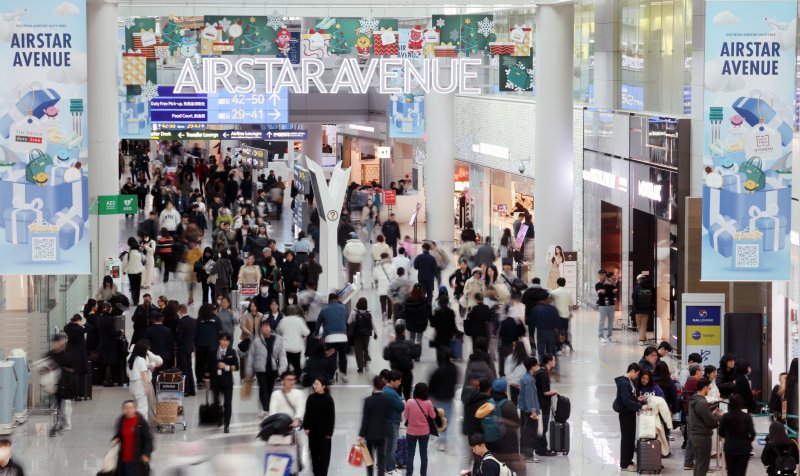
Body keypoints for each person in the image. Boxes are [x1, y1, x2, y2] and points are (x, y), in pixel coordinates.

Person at [245, 321, 288, 414]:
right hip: (260, 369)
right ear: (261, 329)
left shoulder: (278, 340)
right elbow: (251, 356)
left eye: (268, 326)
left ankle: (267, 407)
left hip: (272, 368)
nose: (266, 328)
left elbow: (282, 356)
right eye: (264, 327)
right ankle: (266, 409)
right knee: (263, 388)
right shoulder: (256, 341)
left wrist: (282, 370)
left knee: (269, 388)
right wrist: (249, 371)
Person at [613, 363, 647, 472]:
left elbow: (630, 397)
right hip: (625, 413)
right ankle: (624, 464)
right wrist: (640, 406)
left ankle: (629, 460)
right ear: (632, 371)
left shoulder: (629, 382)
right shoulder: (624, 383)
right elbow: (626, 400)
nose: (637, 377)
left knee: (630, 437)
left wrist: (638, 400)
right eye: (637, 374)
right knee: (627, 438)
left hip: (630, 412)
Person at [45, 334, 77, 436]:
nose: (59, 344)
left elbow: (72, 369)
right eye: (57, 342)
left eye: (61, 342)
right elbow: (44, 367)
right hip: (53, 385)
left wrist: (61, 369)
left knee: (64, 406)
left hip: (65, 384)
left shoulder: (67, 355)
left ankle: (63, 424)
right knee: (57, 405)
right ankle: (57, 424)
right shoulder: (49, 355)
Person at [205, 333, 237, 433]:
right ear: (219, 340)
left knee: (228, 403)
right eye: (223, 340)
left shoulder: (232, 351)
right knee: (216, 402)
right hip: (215, 381)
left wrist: (226, 367)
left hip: (227, 382)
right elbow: (208, 365)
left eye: (227, 340)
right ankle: (220, 419)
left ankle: (227, 424)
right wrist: (207, 377)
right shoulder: (213, 351)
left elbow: (236, 367)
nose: (225, 342)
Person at [359, 376, 391, 476]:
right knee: (381, 459)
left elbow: (365, 419)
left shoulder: (368, 400)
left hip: (370, 434)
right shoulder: (387, 400)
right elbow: (388, 416)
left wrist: (361, 435)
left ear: (373, 386)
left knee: (369, 459)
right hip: (382, 433)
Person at [303, 376, 335, 476]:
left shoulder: (329, 399)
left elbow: (331, 417)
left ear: (323, 386)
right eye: (314, 383)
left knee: (324, 458)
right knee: (314, 456)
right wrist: (306, 427)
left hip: (325, 434)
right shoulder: (311, 398)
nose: (314, 386)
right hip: (313, 433)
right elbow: (307, 413)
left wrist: (329, 432)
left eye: (317, 384)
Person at [688, 378, 720, 476]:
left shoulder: (695, 399)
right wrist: (718, 416)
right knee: (703, 465)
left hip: (696, 435)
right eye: (709, 387)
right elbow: (710, 421)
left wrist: (713, 409)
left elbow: (702, 413)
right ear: (705, 387)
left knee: (699, 464)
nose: (709, 389)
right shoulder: (702, 403)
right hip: (702, 437)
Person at [403, 382, 436, 476]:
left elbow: (405, 416)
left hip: (411, 432)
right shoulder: (428, 403)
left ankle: (409, 474)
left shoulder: (409, 402)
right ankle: (423, 474)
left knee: (410, 454)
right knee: (423, 454)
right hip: (424, 432)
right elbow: (433, 416)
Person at [112, 400, 154, 476]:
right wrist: (117, 438)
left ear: (135, 409)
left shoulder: (141, 422)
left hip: (137, 458)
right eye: (126, 408)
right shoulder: (122, 420)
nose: (128, 410)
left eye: (130, 407)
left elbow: (148, 439)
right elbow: (119, 434)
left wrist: (146, 454)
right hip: (124, 458)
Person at [718, 394, 755, 476]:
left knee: (730, 472)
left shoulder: (725, 417)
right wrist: (748, 440)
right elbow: (752, 433)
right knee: (741, 472)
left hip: (730, 447)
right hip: (744, 448)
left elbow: (720, 432)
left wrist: (728, 437)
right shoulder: (747, 417)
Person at [315, 294, 349, 382]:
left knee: (331, 357)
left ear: (328, 300)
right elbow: (345, 320)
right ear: (337, 299)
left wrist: (316, 333)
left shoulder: (324, 309)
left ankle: (331, 376)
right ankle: (343, 373)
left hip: (330, 338)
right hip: (343, 337)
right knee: (342, 356)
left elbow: (318, 324)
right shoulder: (343, 308)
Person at [429, 347, 458, 452]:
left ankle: (439, 439)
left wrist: (430, 396)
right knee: (446, 420)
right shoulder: (454, 368)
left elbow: (432, 385)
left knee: (439, 419)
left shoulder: (438, 370)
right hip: (449, 398)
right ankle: (441, 440)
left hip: (438, 399)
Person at [383, 322, 421, 399]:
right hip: (407, 373)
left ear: (395, 332)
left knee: (396, 395)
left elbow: (386, 356)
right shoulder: (409, 344)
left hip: (395, 374)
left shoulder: (392, 345)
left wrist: (388, 344)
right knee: (407, 394)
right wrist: (418, 345)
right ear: (404, 331)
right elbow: (416, 354)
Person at [533, 353, 558, 457]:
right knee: (543, 428)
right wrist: (555, 392)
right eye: (554, 360)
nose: (555, 362)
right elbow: (545, 392)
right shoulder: (543, 375)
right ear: (549, 361)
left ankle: (538, 447)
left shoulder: (540, 372)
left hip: (539, 403)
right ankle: (542, 449)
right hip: (543, 404)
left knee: (540, 427)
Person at [518, 356, 541, 463]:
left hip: (524, 410)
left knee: (525, 432)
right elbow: (529, 397)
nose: (537, 366)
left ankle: (525, 454)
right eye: (536, 364)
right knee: (530, 433)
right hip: (530, 412)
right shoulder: (530, 380)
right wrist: (533, 411)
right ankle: (528, 455)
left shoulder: (525, 378)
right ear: (532, 366)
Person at [383, 370, 406, 475]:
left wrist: (401, 401)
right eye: (399, 381)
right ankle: (390, 468)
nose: (400, 383)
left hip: (388, 421)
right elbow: (401, 405)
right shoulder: (390, 393)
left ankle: (387, 465)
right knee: (392, 447)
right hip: (392, 422)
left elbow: (400, 400)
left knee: (389, 446)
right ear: (392, 380)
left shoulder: (388, 390)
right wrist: (402, 402)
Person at [275, 305, 309, 374]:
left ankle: (286, 377)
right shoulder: (299, 320)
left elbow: (278, 331)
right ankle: (297, 377)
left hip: (286, 347)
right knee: (297, 365)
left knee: (286, 365)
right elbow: (307, 332)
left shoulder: (283, 321)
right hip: (297, 347)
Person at [194, 304, 221, 389]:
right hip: (213, 346)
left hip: (201, 345)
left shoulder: (199, 320)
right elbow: (219, 331)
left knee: (200, 364)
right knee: (213, 364)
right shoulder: (216, 319)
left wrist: (196, 343)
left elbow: (196, 333)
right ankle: (213, 381)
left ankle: (199, 381)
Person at [63, 314, 88, 403]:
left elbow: (66, 328)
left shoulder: (67, 328)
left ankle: (69, 394)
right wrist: (82, 325)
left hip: (69, 353)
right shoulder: (79, 329)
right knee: (76, 375)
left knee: (70, 375)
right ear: (78, 320)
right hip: (78, 355)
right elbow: (91, 328)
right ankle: (76, 394)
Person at [348, 297, 376, 373]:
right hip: (366, 334)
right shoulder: (369, 312)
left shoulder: (354, 312)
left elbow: (349, 322)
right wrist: (375, 333)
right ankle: (366, 362)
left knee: (358, 350)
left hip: (357, 334)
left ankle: (360, 366)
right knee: (365, 348)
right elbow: (372, 323)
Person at [126, 341, 152, 422]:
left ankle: (132, 422)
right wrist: (147, 386)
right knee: (142, 406)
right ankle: (141, 424)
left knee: (134, 406)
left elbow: (127, 373)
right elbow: (143, 374)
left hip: (132, 384)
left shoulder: (129, 358)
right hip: (140, 384)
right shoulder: (141, 360)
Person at [98, 302, 123, 387]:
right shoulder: (110, 319)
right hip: (111, 343)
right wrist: (120, 332)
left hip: (103, 342)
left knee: (106, 361)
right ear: (109, 309)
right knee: (110, 362)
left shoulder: (100, 318)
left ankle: (106, 379)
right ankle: (108, 380)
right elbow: (113, 333)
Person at [176, 304, 197, 396]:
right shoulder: (194, 321)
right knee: (190, 368)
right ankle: (192, 390)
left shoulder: (181, 322)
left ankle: (186, 390)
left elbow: (179, 337)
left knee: (184, 369)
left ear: (180, 311)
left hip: (182, 349)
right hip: (190, 347)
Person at [549, 277, 573, 352]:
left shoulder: (553, 292)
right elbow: (571, 305)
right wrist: (570, 313)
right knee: (564, 331)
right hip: (565, 315)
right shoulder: (568, 292)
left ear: (557, 283)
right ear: (565, 283)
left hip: (556, 315)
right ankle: (563, 345)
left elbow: (549, 301)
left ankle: (558, 347)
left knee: (557, 331)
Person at [430, 294, 458, 359]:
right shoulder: (451, 312)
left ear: (439, 302)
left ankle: (440, 361)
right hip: (448, 334)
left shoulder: (437, 312)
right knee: (447, 347)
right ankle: (446, 360)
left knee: (439, 349)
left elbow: (433, 324)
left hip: (439, 334)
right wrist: (454, 333)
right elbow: (453, 324)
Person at [631, 274, 655, 345]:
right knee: (644, 325)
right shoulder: (650, 287)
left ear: (638, 280)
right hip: (647, 309)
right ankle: (644, 338)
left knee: (639, 324)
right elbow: (653, 298)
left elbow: (634, 298)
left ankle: (641, 340)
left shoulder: (637, 287)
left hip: (638, 309)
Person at [122, 237, 145, 306]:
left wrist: (123, 271)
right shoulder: (140, 253)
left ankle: (133, 298)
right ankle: (136, 301)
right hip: (138, 273)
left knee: (132, 287)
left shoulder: (128, 254)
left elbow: (124, 263)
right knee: (137, 287)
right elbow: (143, 260)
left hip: (131, 273)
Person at [596, 270, 617, 342]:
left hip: (611, 305)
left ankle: (609, 336)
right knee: (602, 321)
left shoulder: (610, 283)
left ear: (605, 276)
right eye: (600, 275)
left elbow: (613, 292)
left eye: (603, 275)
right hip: (602, 305)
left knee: (611, 322)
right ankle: (600, 336)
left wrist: (606, 291)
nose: (602, 277)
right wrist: (610, 291)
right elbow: (601, 294)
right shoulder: (598, 285)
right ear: (598, 276)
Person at [375, 252, 397, 321]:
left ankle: (384, 312)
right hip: (390, 286)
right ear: (387, 257)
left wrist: (376, 284)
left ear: (381, 257)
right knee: (390, 303)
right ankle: (389, 318)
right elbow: (395, 275)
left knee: (383, 302)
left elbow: (375, 276)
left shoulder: (378, 265)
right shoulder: (392, 265)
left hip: (381, 285)